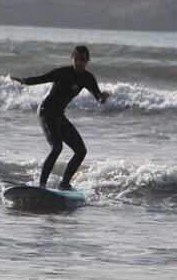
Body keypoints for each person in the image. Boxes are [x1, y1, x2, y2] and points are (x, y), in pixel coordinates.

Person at [11, 45, 110, 190]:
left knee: (81, 151)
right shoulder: (62, 72)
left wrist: (103, 98)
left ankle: (64, 184)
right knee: (57, 147)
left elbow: (98, 99)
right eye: (76, 58)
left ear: (87, 61)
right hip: (46, 112)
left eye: (82, 59)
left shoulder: (88, 78)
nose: (79, 62)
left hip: (59, 115)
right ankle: (42, 186)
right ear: (72, 58)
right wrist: (24, 81)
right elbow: (42, 78)